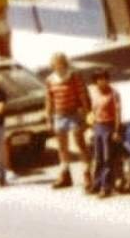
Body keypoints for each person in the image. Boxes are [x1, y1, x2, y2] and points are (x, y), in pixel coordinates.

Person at [44, 53, 90, 190]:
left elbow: (82, 95)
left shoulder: (74, 76)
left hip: (74, 113)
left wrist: (86, 114)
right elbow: (49, 100)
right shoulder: (50, 80)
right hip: (59, 115)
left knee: (79, 143)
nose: (58, 66)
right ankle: (65, 174)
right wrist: (48, 118)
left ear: (65, 63)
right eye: (55, 63)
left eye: (60, 63)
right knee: (62, 147)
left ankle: (87, 173)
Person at [86, 69, 122, 198]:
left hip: (109, 126)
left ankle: (105, 187)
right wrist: (91, 126)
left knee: (107, 158)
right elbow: (92, 110)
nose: (101, 82)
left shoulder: (113, 93)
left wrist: (117, 131)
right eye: (98, 79)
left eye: (104, 79)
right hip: (97, 126)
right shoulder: (94, 93)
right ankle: (96, 184)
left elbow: (118, 113)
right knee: (98, 157)